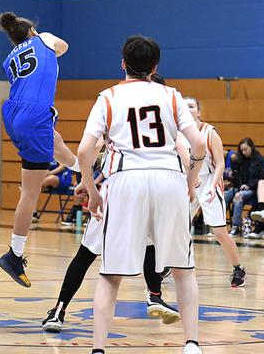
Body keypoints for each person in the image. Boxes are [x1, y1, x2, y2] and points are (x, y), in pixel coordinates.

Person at [77, 35, 207, 354]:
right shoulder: (172, 96)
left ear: (123, 63)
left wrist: (92, 192)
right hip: (169, 177)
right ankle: (191, 343)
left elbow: (83, 151)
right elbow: (199, 146)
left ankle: (98, 349)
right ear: (155, 66)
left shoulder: (107, 97)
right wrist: (190, 182)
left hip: (125, 179)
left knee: (110, 275)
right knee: (183, 269)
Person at [41, 74, 181, 333]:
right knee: (151, 245)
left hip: (119, 187)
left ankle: (59, 310)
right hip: (154, 186)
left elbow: (90, 149)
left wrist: (88, 181)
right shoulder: (169, 108)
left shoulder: (116, 103)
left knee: (87, 254)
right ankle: (154, 294)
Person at [0, 12, 68, 288]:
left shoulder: (8, 60)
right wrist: (42, 39)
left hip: (13, 113)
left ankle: (83, 174)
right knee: (30, 191)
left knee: (57, 144)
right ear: (32, 31)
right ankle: (14, 254)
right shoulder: (45, 39)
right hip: (34, 112)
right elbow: (64, 47)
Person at [183, 96, 246, 286]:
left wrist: (212, 186)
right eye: (184, 106)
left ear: (199, 111)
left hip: (210, 181)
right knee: (178, 229)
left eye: (192, 106)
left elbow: (220, 163)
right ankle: (175, 265)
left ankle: (238, 268)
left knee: (219, 232)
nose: (188, 109)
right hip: (189, 182)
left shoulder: (209, 132)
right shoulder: (178, 133)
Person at [227, 138, 264, 236]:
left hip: (254, 189)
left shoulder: (262, 160)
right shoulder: (240, 160)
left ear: (251, 147)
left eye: (245, 149)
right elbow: (237, 178)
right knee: (224, 196)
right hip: (241, 187)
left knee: (238, 196)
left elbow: (263, 178)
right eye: (241, 150)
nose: (243, 152)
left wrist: (249, 185)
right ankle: (216, 226)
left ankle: (235, 226)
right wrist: (234, 174)